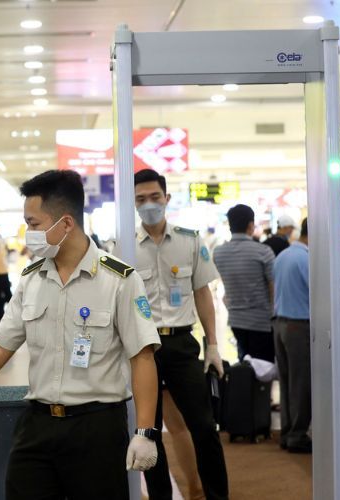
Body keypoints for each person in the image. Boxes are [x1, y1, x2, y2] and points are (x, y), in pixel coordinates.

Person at [0, 170, 161, 500]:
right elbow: (0, 345)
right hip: (38, 424)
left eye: (35, 224)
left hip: (96, 428)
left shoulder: (119, 280)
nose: (29, 233)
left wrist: (145, 431)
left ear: (66, 224)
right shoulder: (31, 279)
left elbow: (142, 356)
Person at [128, 168, 228, 500]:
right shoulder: (122, 245)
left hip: (182, 345)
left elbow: (203, 293)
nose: (149, 204)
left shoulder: (189, 240)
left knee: (203, 427)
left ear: (167, 198)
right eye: (141, 199)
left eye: (155, 197)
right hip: (143, 348)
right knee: (149, 431)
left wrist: (212, 344)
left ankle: (216, 495)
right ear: (133, 202)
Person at [213, 204, 276, 362]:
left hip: (235, 320)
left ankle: (243, 387)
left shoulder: (219, 253)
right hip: (261, 321)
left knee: (244, 363)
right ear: (250, 225)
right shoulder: (263, 252)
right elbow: (273, 287)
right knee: (263, 368)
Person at [273, 218, 312, 454]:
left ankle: (288, 432)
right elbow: (318, 291)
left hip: (280, 324)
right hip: (298, 326)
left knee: (287, 381)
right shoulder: (306, 258)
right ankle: (297, 435)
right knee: (301, 382)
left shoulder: (283, 256)